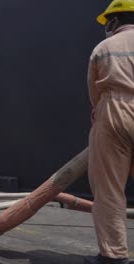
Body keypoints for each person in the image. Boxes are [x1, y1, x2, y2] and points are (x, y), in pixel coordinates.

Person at [85, 1, 134, 263]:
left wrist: (100, 111)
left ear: (115, 20)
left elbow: (94, 90)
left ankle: (114, 256)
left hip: (114, 110)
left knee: (109, 189)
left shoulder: (103, 48)